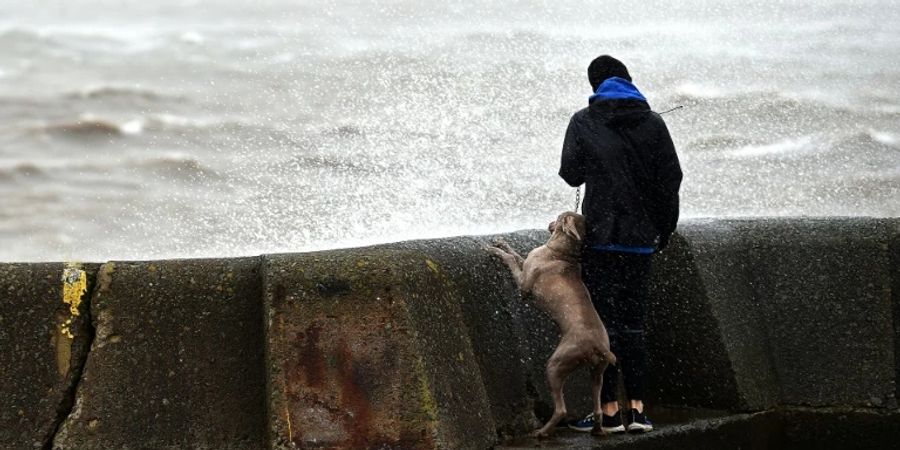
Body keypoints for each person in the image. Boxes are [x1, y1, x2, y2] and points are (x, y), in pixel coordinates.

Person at [558, 55, 682, 434]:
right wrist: (665, 228)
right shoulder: (654, 122)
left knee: (604, 326)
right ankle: (639, 411)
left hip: (601, 241)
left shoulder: (584, 120)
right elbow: (671, 178)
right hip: (640, 242)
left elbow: (571, 173)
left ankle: (608, 412)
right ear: (628, 79)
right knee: (634, 325)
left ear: (595, 85)